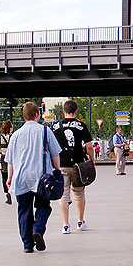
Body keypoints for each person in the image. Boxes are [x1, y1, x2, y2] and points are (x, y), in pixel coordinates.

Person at [6, 102, 63, 253]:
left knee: (24, 210)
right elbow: (55, 153)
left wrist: (9, 177)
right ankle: (37, 229)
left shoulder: (16, 135)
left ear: (24, 116)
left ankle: (27, 244)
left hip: (21, 177)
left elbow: (10, 160)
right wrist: (57, 170)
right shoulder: (45, 131)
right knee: (44, 205)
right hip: (41, 178)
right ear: (37, 114)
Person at [51, 100, 94, 235]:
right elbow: (89, 147)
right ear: (76, 111)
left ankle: (65, 225)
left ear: (63, 111)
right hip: (78, 165)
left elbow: (51, 147)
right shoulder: (81, 125)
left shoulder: (55, 126)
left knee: (64, 195)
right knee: (79, 193)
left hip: (61, 164)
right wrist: (92, 160)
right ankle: (80, 221)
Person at [0, 120, 14, 204]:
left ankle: (7, 194)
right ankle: (13, 191)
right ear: (9, 128)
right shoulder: (13, 137)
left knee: (4, 178)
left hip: (2, 159)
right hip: (12, 159)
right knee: (12, 176)